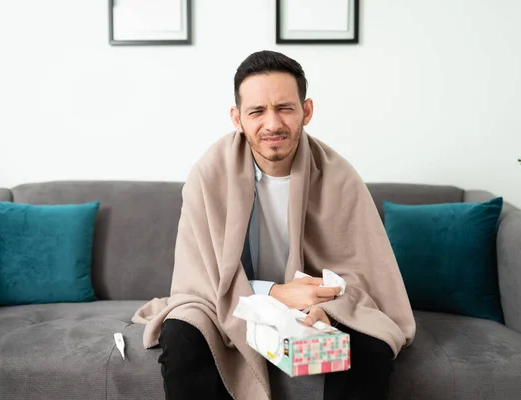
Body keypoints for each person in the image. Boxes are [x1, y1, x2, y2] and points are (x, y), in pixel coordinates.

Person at [133, 50, 416, 400]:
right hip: (227, 301)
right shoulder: (208, 175)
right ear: (237, 118)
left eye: (284, 108)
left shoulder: (339, 176)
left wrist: (327, 307)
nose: (272, 124)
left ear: (306, 111)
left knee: (371, 345)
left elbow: (363, 274)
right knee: (182, 334)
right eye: (257, 111)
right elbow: (200, 281)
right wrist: (275, 293)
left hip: (316, 299)